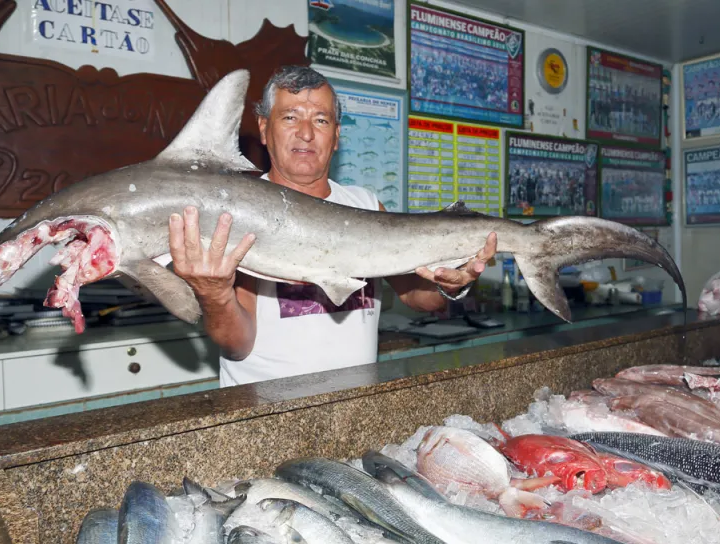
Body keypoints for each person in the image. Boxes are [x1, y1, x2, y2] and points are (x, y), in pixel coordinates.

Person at [167, 66, 497, 387]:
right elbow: (237, 344)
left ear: (336, 136)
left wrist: (449, 285)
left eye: (321, 120)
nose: (306, 133)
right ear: (265, 129)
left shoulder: (365, 204)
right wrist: (215, 294)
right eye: (290, 117)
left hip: (357, 407)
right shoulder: (238, 211)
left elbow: (417, 296)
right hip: (268, 414)